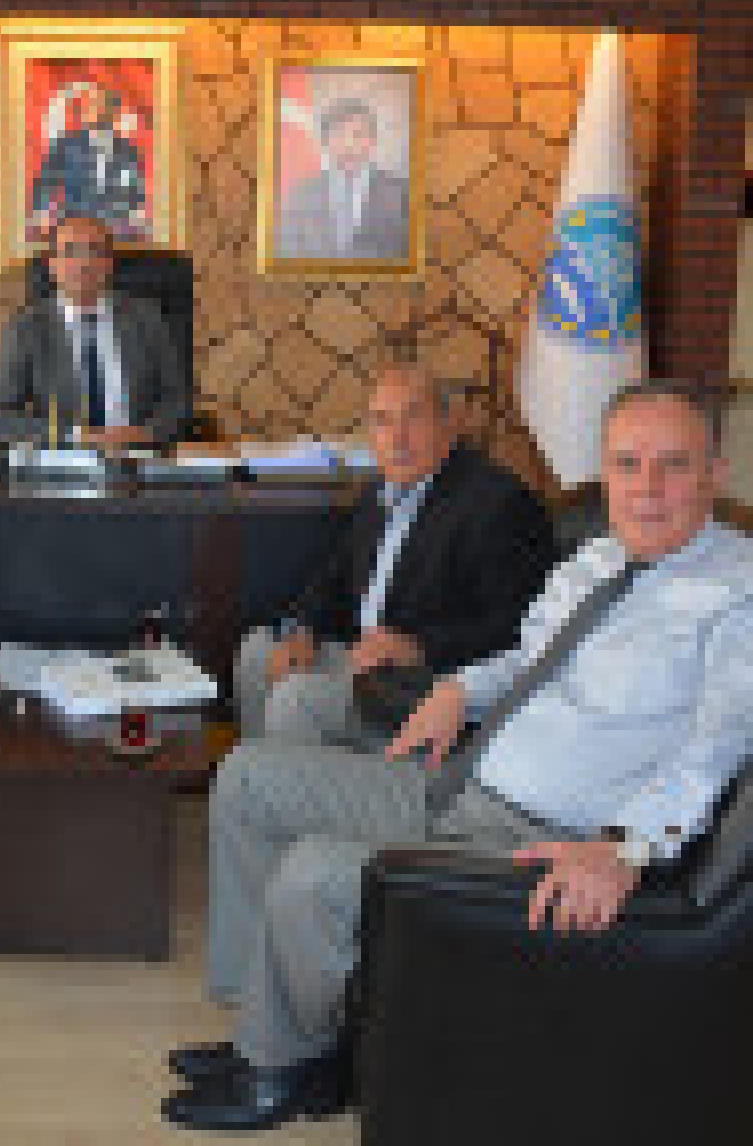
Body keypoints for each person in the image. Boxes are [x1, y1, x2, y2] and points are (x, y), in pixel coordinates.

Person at [163, 380, 753, 1131]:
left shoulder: (737, 594)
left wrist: (627, 847)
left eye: (674, 464)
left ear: (714, 473)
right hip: (463, 781)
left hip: (538, 834)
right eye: (627, 464)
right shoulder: (595, 560)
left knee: (316, 874)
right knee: (251, 777)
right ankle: (268, 1018)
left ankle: (282, 1070)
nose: (647, 488)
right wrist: (460, 689)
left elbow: (717, 745)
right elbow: (527, 659)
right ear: (604, 471)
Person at [236, 363, 558, 750]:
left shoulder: (497, 503)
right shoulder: (380, 492)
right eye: (382, 421)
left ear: (448, 424)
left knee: (298, 699)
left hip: (431, 682)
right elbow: (335, 580)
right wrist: (303, 631)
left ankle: (292, 785)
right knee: (258, 654)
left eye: (413, 417)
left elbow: (518, 625)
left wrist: (417, 646)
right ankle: (261, 777)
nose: (397, 437)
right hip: (366, 661)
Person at [0, 214, 191, 449]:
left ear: (109, 263)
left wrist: (144, 434)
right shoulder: (29, 328)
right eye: (70, 251)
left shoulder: (146, 318)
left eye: (95, 251)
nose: (83, 263)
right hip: (63, 458)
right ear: (52, 264)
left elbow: (177, 402)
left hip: (136, 456)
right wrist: (77, 436)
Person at [278, 97, 409, 261]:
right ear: (325, 142)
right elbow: (287, 254)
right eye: (338, 136)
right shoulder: (300, 195)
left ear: (373, 141)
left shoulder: (401, 192)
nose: (348, 145)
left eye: (358, 135)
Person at [29, 83, 147, 242]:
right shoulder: (67, 146)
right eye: (92, 108)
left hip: (113, 231)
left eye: (103, 108)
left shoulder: (126, 152)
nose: (97, 113)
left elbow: (134, 193)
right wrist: (42, 215)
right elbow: (44, 184)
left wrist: (130, 220)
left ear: (113, 113)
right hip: (72, 228)